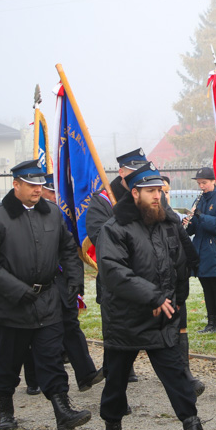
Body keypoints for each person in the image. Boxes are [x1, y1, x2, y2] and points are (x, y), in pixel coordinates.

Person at [96, 162, 216, 430]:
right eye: (152, 191)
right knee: (116, 383)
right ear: (135, 193)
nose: (158, 196)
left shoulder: (166, 223)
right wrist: (152, 295)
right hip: (124, 320)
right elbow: (115, 272)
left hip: (163, 315)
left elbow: (179, 261)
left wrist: (176, 298)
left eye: (160, 190)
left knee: (179, 378)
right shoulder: (115, 228)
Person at [0, 159, 90, 430]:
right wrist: (16, 289)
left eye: (40, 185)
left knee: (51, 358)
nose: (38, 190)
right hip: (10, 305)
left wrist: (75, 279)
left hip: (47, 301)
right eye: (31, 185)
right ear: (16, 185)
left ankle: (62, 411)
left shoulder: (51, 212)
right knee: (8, 362)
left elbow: (67, 247)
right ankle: (6, 410)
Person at [86, 147, 150, 384]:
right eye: (133, 171)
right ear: (122, 172)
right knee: (116, 326)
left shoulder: (147, 194)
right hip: (116, 276)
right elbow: (97, 235)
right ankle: (117, 369)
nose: (137, 175)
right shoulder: (102, 200)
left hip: (145, 274)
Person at [39, 173, 104, 393]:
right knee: (38, 334)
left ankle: (86, 374)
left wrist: (76, 283)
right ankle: (33, 380)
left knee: (71, 327)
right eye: (51, 192)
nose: (55, 197)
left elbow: (70, 250)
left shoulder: (59, 215)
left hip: (62, 281)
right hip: (37, 285)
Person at [159, 173, 204, 396]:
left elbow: (187, 250)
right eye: (159, 191)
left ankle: (185, 373)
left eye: (167, 191)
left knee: (180, 326)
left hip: (176, 284)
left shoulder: (174, 218)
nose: (164, 196)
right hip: (153, 289)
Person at [184, 167, 216, 333]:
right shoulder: (199, 199)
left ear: (213, 182)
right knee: (207, 290)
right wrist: (187, 224)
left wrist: (200, 216)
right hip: (201, 251)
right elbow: (194, 229)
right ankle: (210, 323)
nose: (201, 186)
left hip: (214, 251)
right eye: (199, 183)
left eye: (204, 183)